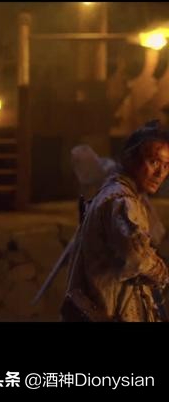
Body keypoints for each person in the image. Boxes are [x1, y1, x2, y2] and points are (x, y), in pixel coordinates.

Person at [64, 120, 169, 322]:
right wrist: (161, 271)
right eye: (154, 162)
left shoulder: (121, 194)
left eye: (166, 165)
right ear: (131, 159)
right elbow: (136, 258)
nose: (160, 173)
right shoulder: (121, 200)